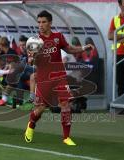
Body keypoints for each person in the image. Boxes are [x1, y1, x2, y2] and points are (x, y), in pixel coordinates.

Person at [24, 10, 93, 146]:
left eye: (43, 22)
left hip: (60, 77)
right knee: (40, 109)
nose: (41, 25)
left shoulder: (58, 37)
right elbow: (30, 61)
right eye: (39, 22)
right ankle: (31, 124)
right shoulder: (34, 40)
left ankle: (66, 137)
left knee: (65, 105)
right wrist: (32, 57)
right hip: (44, 79)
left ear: (50, 23)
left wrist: (84, 48)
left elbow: (69, 49)